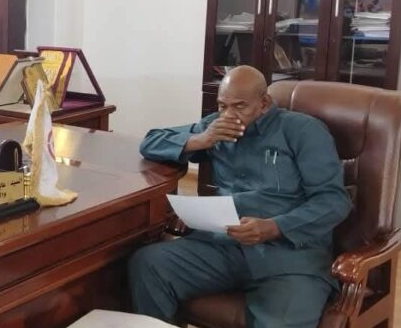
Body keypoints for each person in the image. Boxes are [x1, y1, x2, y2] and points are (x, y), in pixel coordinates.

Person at [129, 66, 352, 328]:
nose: (228, 115)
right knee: (149, 264)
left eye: (239, 106)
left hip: (289, 258)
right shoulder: (217, 127)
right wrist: (201, 140)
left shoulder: (303, 131)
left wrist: (276, 227)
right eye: (222, 106)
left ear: (264, 103)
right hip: (224, 247)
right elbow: (150, 142)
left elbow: (333, 201)